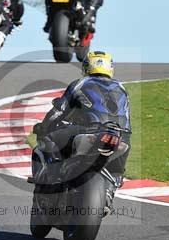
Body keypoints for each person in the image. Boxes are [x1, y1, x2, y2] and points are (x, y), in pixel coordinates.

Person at [31, 51, 131, 204]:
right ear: (110, 68)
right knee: (118, 168)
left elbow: (59, 111)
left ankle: (51, 182)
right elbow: (127, 117)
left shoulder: (80, 83)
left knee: (48, 138)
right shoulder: (122, 88)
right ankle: (111, 190)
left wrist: (44, 127)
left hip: (88, 131)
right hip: (120, 136)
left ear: (86, 67)